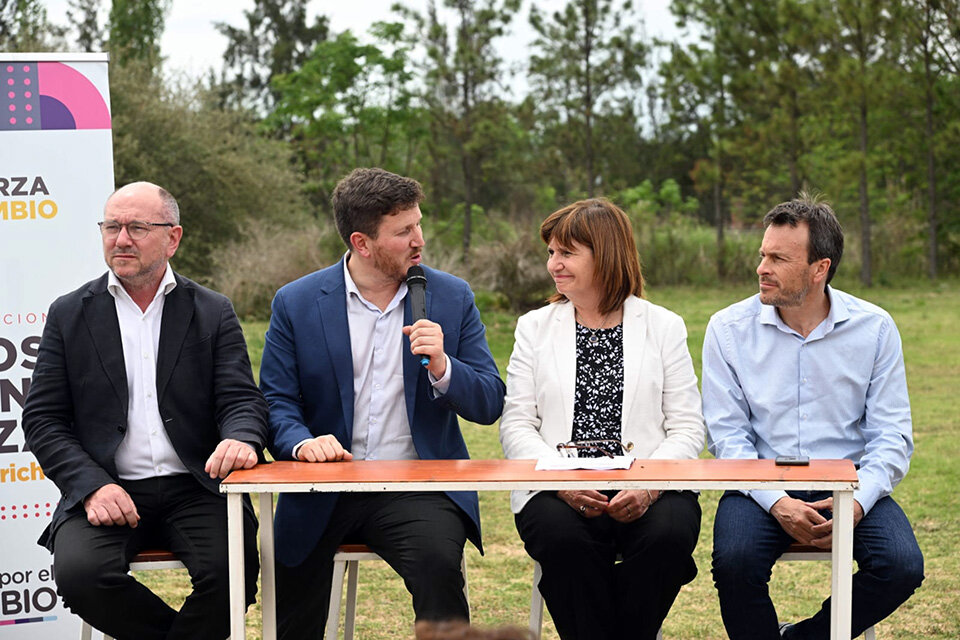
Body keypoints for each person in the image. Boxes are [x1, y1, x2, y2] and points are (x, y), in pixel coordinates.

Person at [259, 167, 506, 638]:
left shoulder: (451, 296)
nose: (420, 240)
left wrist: (443, 366)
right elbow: (276, 399)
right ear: (361, 242)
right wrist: (301, 443)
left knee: (438, 568)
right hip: (322, 485)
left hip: (415, 483)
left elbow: (490, 401)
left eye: (418, 224)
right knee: (291, 597)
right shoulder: (297, 301)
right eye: (403, 231)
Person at [21, 182, 268, 640]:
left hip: (195, 484)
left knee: (231, 574)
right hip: (105, 486)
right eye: (112, 227)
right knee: (81, 577)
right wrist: (92, 486)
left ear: (173, 238)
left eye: (137, 227)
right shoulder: (70, 313)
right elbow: (42, 420)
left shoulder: (212, 310)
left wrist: (241, 437)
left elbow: (241, 399)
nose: (121, 239)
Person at [703, 195, 925, 639]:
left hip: (850, 483)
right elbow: (727, 436)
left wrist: (858, 503)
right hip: (759, 485)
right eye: (763, 254)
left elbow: (892, 434)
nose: (761, 268)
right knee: (735, 564)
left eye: (778, 258)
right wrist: (778, 501)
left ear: (819, 268)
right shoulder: (727, 330)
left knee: (901, 566)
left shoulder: (875, 328)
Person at [499, 199, 704, 640]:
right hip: (557, 487)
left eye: (567, 253)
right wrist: (560, 481)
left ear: (606, 255)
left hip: (651, 483)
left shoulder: (664, 326)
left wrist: (649, 486)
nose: (553, 263)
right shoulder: (533, 328)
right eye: (551, 252)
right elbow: (516, 424)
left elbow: (688, 427)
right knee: (564, 544)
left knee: (668, 539)